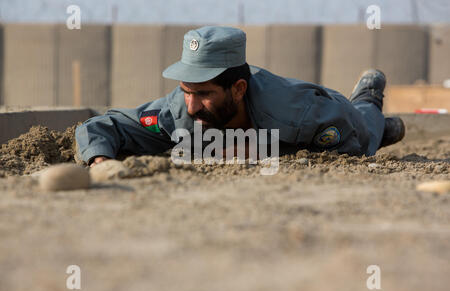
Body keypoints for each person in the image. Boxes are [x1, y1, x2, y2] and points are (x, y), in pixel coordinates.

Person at [75, 26, 405, 167]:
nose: (192, 106)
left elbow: (349, 138)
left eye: (203, 94)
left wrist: (267, 149)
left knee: (368, 132)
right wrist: (99, 158)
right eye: (186, 91)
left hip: (342, 113)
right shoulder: (179, 111)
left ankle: (369, 94)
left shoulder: (300, 114)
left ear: (238, 89)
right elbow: (108, 125)